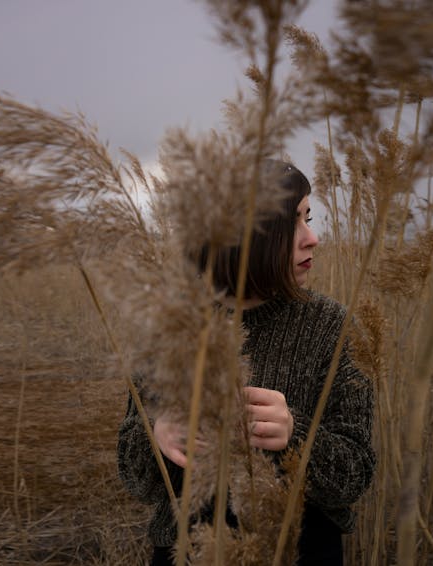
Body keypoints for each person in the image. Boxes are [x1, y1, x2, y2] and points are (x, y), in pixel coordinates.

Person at [117, 161, 376, 566]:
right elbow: (137, 480)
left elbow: (354, 476)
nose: (314, 239)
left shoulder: (334, 328)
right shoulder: (170, 326)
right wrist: (157, 431)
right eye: (293, 224)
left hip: (299, 551)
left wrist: (295, 434)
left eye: (309, 219)